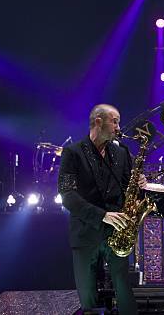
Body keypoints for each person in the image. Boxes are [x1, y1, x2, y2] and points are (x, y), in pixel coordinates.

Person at [58, 104, 145, 314]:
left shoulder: (121, 151)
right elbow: (67, 196)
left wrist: (140, 186)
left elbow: (127, 188)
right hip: (85, 231)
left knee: (124, 290)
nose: (118, 126)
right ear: (98, 121)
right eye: (114, 121)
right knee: (88, 296)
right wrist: (102, 215)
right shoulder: (73, 153)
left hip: (117, 233)